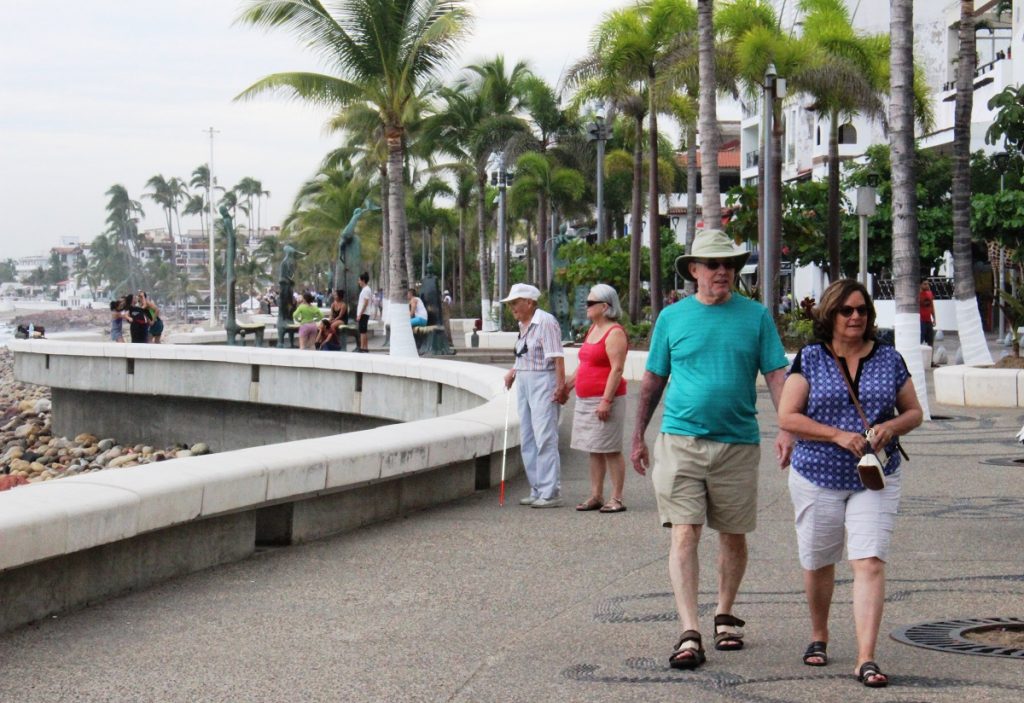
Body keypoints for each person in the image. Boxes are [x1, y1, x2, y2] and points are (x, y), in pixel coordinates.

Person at [630, 228, 791, 670]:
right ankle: (689, 630)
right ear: (694, 271)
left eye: (730, 265)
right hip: (680, 440)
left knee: (733, 533)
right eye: (714, 265)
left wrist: (786, 428)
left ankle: (724, 612)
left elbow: (777, 375)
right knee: (685, 531)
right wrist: (637, 435)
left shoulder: (756, 316)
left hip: (737, 442)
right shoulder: (672, 318)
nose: (723, 272)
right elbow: (653, 380)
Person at [778, 279, 922, 688]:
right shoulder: (810, 358)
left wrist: (890, 427)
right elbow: (788, 417)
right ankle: (819, 634)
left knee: (869, 561)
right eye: (847, 310)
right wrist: (836, 435)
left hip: (874, 475)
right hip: (817, 474)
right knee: (819, 560)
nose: (856, 316)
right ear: (830, 315)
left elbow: (914, 412)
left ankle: (866, 657)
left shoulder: (889, 359)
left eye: (862, 310)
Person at [561, 284, 629, 513]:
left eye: (590, 303)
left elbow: (617, 369)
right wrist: (567, 387)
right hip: (586, 398)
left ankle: (616, 498)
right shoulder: (593, 329)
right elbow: (584, 364)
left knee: (610, 448)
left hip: (605, 399)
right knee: (594, 448)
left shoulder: (615, 332)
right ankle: (596, 494)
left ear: (605, 306)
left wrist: (606, 400)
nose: (586, 306)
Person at [502, 283, 566, 508]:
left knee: (545, 436)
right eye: (510, 304)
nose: (512, 308)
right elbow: (523, 354)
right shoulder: (523, 324)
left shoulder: (545, 321)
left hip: (543, 379)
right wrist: (514, 370)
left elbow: (557, 357)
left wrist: (560, 387)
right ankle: (537, 487)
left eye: (515, 303)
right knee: (528, 436)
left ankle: (550, 491)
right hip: (525, 380)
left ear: (529, 302)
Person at [356, 272, 372, 352]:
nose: (358, 282)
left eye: (359, 280)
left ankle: (362, 347)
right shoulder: (366, 289)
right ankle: (365, 347)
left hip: (364, 313)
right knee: (364, 331)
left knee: (362, 331)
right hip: (364, 313)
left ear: (363, 280)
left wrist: (360, 314)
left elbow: (365, 303)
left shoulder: (366, 290)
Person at [918, 279, 935, 346]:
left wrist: (934, 318)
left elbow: (932, 306)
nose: (927, 285)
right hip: (921, 321)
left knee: (930, 342)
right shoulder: (917, 295)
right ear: (920, 285)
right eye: (925, 284)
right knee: (920, 341)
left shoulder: (930, 293)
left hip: (929, 321)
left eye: (928, 284)